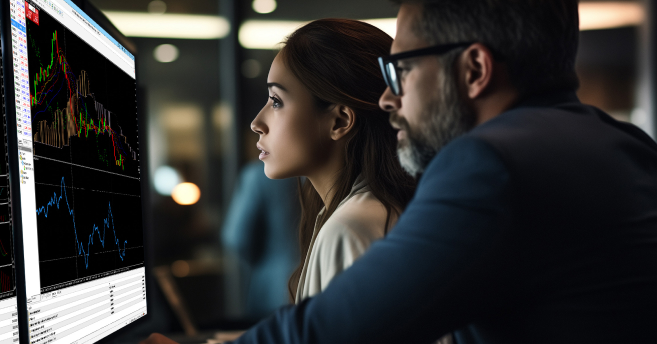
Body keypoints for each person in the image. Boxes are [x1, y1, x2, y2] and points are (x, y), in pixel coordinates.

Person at [142, 0, 657, 343]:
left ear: (473, 70)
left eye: (403, 70)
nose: (388, 98)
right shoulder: (624, 147)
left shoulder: (493, 165)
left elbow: (338, 330)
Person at [249, 18, 415, 305]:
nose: (256, 123)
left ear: (340, 120)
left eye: (276, 101)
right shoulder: (363, 212)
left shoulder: (353, 226)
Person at [221, 160, 300, 319]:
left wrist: (259, 260)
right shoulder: (329, 172)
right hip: (322, 286)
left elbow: (236, 237)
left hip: (272, 288)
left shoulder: (259, 175)